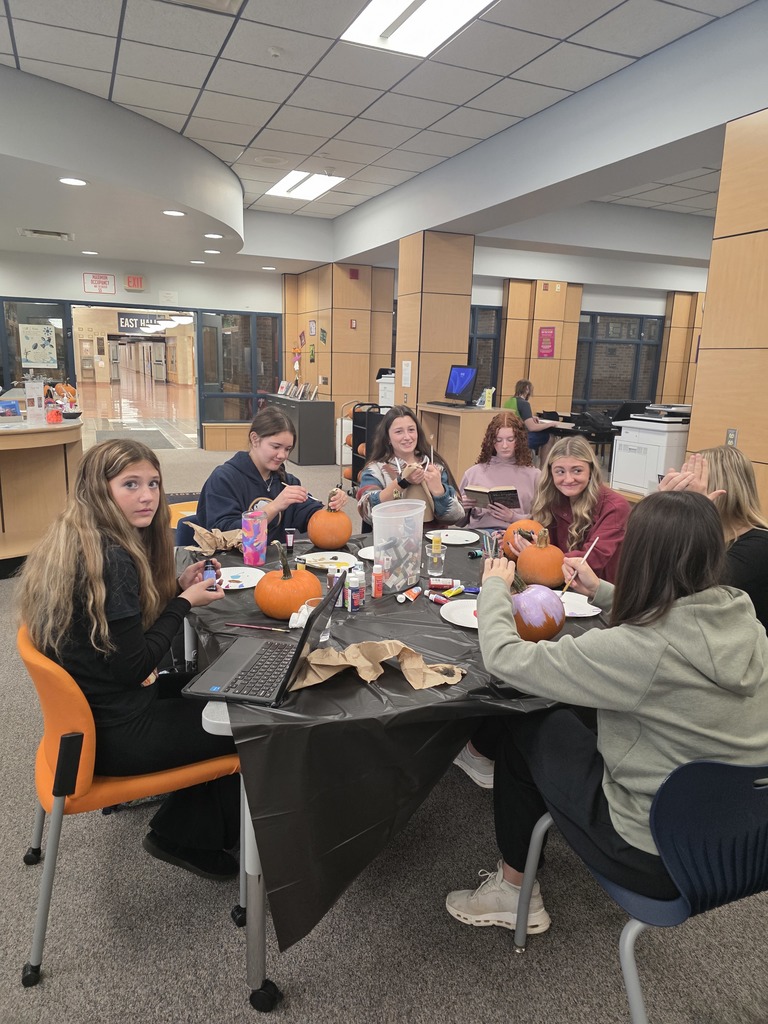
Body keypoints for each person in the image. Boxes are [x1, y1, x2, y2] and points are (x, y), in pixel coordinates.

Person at [445, 491, 768, 934]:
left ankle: (513, 888)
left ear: (639, 558)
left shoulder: (637, 650)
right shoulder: (743, 617)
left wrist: (496, 589)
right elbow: (678, 621)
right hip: (745, 841)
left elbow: (506, 659)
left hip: (659, 858)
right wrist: (601, 591)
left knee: (527, 719)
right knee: (578, 711)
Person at [16, 439, 240, 880]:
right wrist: (184, 603)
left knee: (221, 687)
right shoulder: (112, 559)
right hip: (117, 732)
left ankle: (191, 816)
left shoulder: (78, 537)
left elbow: (118, 635)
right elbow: (135, 666)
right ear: (100, 490)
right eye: (131, 484)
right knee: (250, 725)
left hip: (91, 717)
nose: (148, 496)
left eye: (153, 483)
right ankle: (182, 837)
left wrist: (176, 588)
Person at [197, 407, 347, 544]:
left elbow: (309, 514)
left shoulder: (287, 481)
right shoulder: (224, 479)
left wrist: (331, 507)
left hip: (276, 561)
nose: (282, 455)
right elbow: (225, 533)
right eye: (276, 447)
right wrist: (274, 507)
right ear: (254, 439)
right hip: (235, 562)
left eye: (287, 449)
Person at [659, 447, 768, 630]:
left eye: (691, 484)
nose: (684, 493)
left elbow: (693, 593)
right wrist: (661, 513)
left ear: (722, 490)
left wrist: (692, 514)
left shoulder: (759, 546)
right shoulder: (713, 535)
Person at [516, 434, 630, 583]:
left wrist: (537, 556)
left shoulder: (615, 507)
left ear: (591, 471)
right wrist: (517, 539)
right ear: (551, 473)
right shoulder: (551, 499)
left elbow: (592, 558)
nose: (569, 479)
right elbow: (536, 533)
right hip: (555, 581)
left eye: (577, 471)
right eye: (560, 471)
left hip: (596, 589)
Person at [356, 405, 464, 526]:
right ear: (388, 438)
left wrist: (439, 491)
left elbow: (457, 516)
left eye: (411, 430)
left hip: (432, 537)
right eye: (399, 432)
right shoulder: (376, 470)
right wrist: (401, 483)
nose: (407, 437)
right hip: (393, 536)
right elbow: (367, 511)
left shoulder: (435, 467)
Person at [459, 412, 541, 529]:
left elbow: (542, 520)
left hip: (517, 533)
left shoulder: (534, 475)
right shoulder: (473, 473)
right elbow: (459, 523)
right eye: (498, 440)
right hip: (479, 533)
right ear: (491, 441)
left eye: (510, 439)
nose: (504, 445)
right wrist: (463, 508)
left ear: (519, 440)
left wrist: (513, 517)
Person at [509, 379, 554, 464]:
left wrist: (529, 417)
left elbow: (516, 415)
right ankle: (543, 468)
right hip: (522, 438)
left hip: (510, 436)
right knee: (549, 437)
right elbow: (532, 427)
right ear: (527, 389)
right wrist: (550, 424)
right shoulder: (524, 403)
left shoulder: (509, 401)